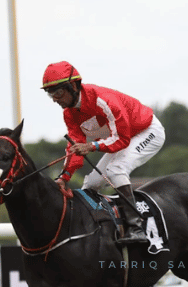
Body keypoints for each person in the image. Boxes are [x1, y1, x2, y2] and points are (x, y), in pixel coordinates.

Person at [41, 61, 166, 245]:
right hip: (123, 136)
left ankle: (135, 227)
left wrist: (92, 147)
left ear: (73, 86)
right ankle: (101, 227)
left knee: (116, 169)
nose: (54, 99)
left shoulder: (102, 100)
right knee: (90, 183)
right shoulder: (70, 113)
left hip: (147, 131)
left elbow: (121, 139)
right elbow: (75, 146)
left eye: (57, 92)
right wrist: (64, 177)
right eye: (49, 93)